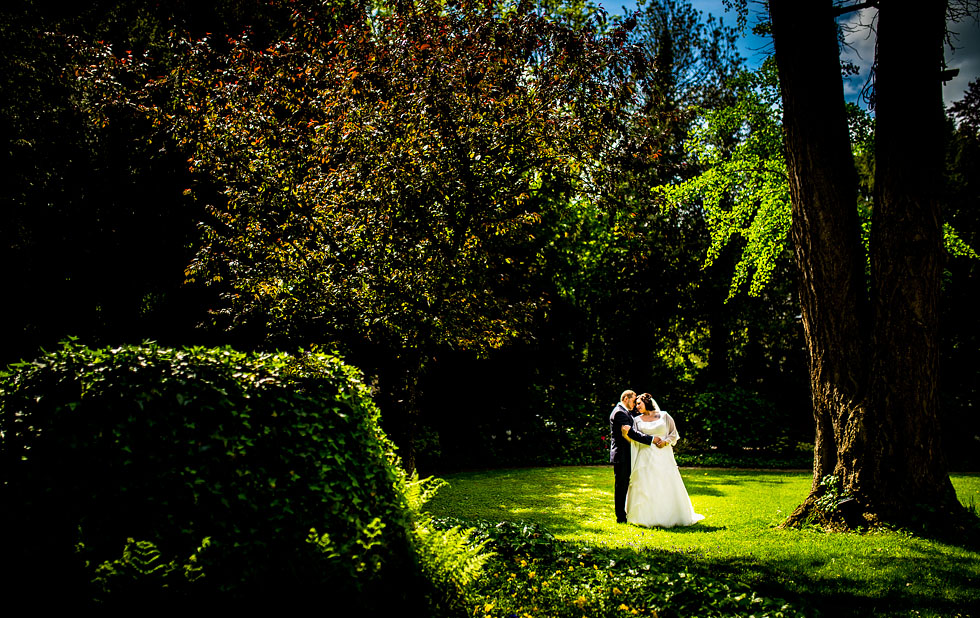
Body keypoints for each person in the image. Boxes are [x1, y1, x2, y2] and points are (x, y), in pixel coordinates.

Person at [621, 393, 704, 528]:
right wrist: (626, 435)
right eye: (635, 404)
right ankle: (645, 516)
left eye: (639, 403)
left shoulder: (664, 416)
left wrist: (665, 442)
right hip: (645, 457)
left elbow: (674, 433)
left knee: (665, 483)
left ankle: (670, 515)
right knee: (646, 484)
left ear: (646, 402)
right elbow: (635, 438)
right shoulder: (637, 420)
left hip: (663, 455)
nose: (637, 406)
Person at [609, 390, 654, 524]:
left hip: (628, 454)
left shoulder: (624, 412)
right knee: (621, 486)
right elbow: (632, 434)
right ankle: (621, 517)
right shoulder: (619, 413)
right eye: (634, 400)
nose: (635, 404)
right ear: (626, 398)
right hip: (622, 455)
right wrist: (651, 440)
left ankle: (625, 514)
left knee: (625, 484)